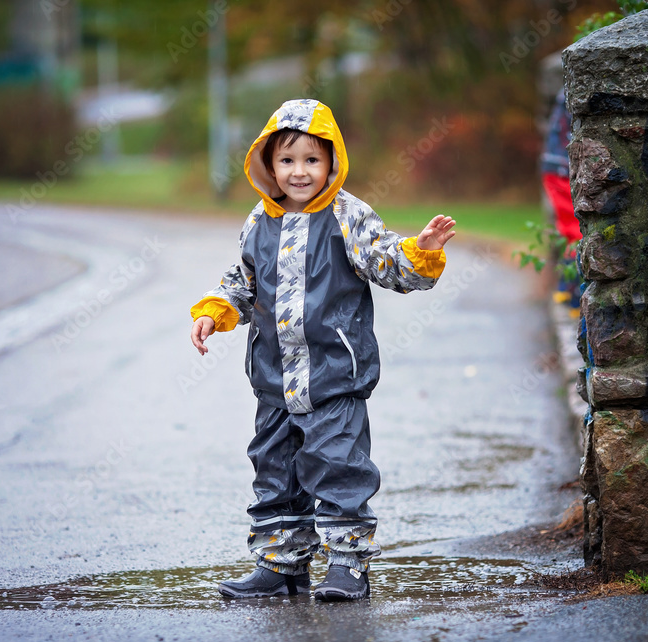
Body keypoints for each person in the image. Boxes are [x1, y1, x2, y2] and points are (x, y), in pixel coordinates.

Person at [189, 99, 455, 601]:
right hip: (273, 380)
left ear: (333, 162)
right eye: (287, 160)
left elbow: (385, 262)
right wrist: (215, 311)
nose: (300, 171)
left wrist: (421, 251)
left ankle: (348, 565)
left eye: (313, 159)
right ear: (267, 163)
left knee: (339, 469)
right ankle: (281, 565)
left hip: (334, 378)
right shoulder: (259, 220)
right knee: (275, 472)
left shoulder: (347, 216)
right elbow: (242, 281)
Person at [540, 87, 582, 315]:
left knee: (570, 230)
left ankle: (567, 290)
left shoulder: (566, 88)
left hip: (557, 166)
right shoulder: (576, 86)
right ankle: (572, 296)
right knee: (575, 231)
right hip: (562, 169)